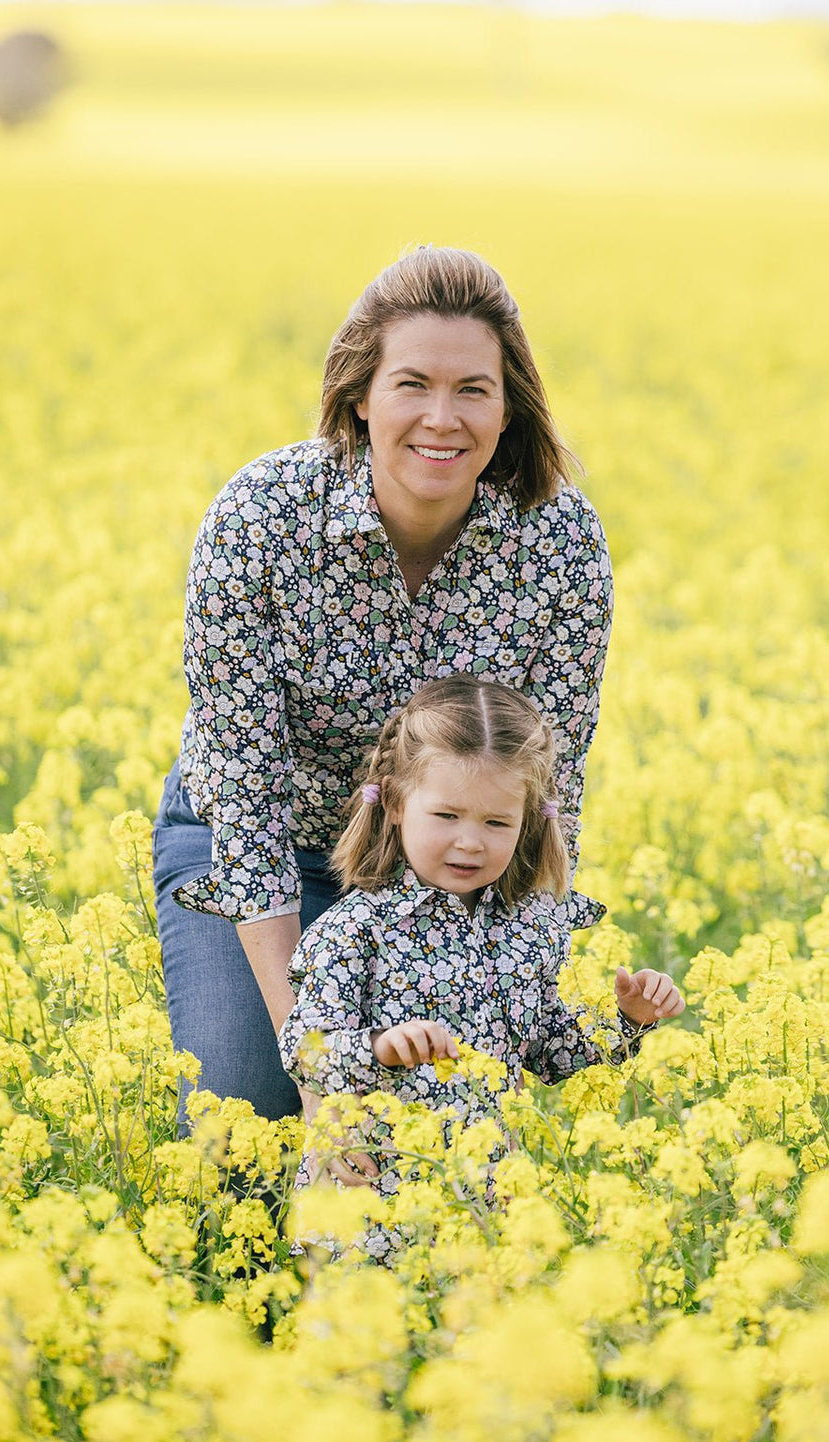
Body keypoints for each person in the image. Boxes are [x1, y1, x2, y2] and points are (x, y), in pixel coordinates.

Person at [152, 245, 616, 1125]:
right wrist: (320, 1070)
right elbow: (248, 793)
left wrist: (525, 988)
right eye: (413, 384)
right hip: (264, 845)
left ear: (509, 406)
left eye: (473, 389)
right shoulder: (262, 519)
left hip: (447, 867)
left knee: (442, 1134)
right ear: (360, 397)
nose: (442, 419)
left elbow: (553, 789)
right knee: (248, 1115)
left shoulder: (559, 543)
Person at [279, 676, 685, 1206]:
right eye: (446, 816)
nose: (470, 842)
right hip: (370, 1205)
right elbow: (303, 1049)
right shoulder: (353, 930)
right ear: (397, 803)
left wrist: (627, 1020)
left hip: (484, 1210)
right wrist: (378, 1046)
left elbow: (547, 1054)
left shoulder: (528, 930)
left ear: (528, 822)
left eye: (497, 822)